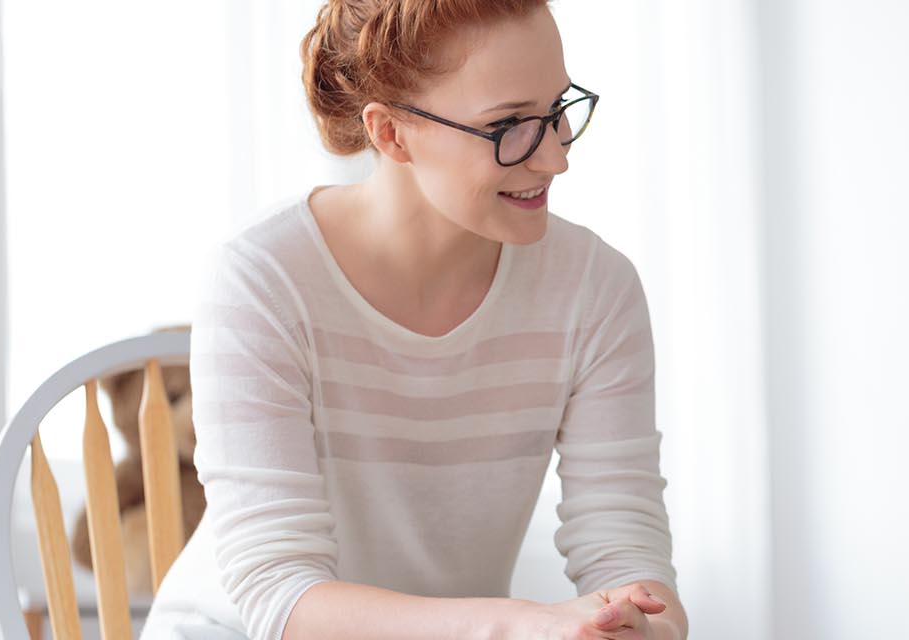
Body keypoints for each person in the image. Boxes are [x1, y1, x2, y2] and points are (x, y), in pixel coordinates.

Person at [143, 1, 686, 638]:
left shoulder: (595, 289)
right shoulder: (262, 279)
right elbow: (279, 596)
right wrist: (518, 628)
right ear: (391, 134)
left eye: (557, 110)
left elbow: (627, 552)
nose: (555, 159)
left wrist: (636, 625)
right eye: (509, 125)